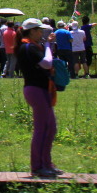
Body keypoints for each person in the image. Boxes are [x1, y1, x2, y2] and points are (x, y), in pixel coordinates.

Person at [16, 18, 62, 177]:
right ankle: (37, 166)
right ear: (32, 31)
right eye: (39, 30)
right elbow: (47, 63)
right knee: (42, 129)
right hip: (36, 90)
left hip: (41, 89)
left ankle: (46, 163)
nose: (42, 33)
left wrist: (47, 46)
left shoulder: (33, 46)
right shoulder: (28, 47)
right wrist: (48, 46)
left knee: (50, 128)